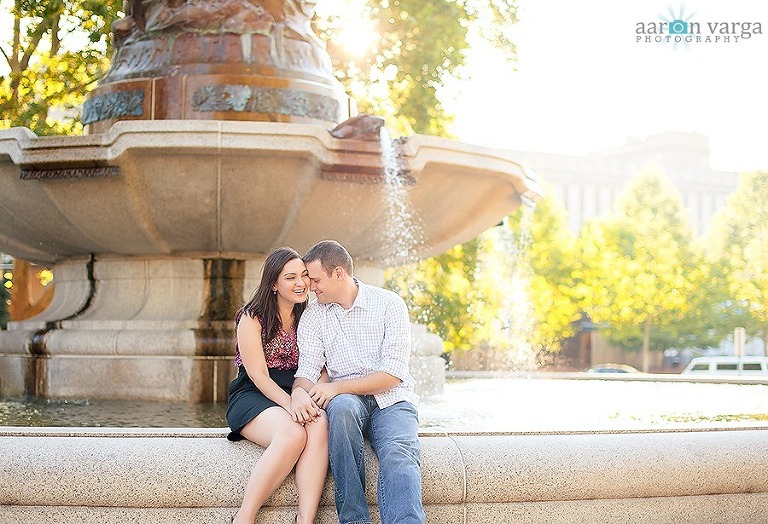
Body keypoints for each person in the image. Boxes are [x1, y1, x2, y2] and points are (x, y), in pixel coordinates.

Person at [292, 240, 426, 524]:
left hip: (393, 400)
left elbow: (392, 375)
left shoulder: (390, 304)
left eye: (315, 280)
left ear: (338, 273)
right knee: (340, 410)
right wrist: (297, 393)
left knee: (399, 454)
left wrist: (337, 387)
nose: (310, 288)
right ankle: (354, 521)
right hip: (348, 404)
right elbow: (307, 370)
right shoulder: (314, 316)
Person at [226, 247, 328, 524]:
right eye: (290, 277)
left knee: (320, 424)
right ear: (273, 284)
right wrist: (291, 403)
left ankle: (304, 520)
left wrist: (312, 395)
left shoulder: (312, 314)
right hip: (254, 394)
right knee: (293, 435)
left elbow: (321, 367)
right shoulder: (252, 317)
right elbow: (258, 375)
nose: (301, 283)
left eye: (305, 276)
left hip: (298, 388)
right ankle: (244, 518)